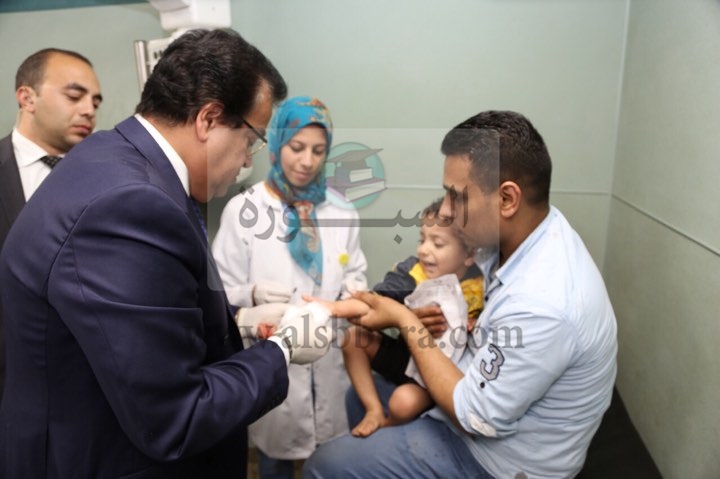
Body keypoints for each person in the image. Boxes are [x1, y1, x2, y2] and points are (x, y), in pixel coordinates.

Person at [0, 29, 332, 479]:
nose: (246, 162)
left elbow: (132, 323)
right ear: (209, 119)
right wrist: (283, 349)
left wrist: (239, 320)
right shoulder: (131, 204)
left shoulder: (110, 156)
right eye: (251, 140)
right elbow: (176, 417)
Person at [303, 110, 618, 478]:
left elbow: (476, 418)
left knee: (324, 466)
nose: (446, 211)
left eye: (456, 197)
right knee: (358, 396)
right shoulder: (523, 234)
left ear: (507, 199)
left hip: (495, 461)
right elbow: (415, 276)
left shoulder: (544, 303)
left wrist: (405, 322)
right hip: (469, 391)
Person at [212, 95, 368, 479]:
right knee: (274, 458)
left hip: (329, 356)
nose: (307, 161)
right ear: (278, 142)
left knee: (330, 460)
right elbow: (218, 293)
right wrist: (252, 295)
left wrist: (347, 297)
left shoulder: (341, 210)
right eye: (297, 147)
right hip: (271, 353)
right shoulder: (244, 210)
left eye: (318, 150)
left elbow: (356, 275)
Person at [0, 47, 102, 400]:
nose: (88, 110)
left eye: (95, 102)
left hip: (90, 385)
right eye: (74, 96)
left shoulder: (106, 180)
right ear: (27, 97)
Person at [337, 197, 482, 438]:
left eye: (437, 243)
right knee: (353, 338)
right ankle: (373, 410)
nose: (423, 250)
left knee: (403, 403)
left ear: (469, 254)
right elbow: (381, 298)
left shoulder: (480, 287)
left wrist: (476, 324)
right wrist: (333, 307)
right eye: (422, 240)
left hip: (439, 373)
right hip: (406, 355)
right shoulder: (413, 271)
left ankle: (386, 427)